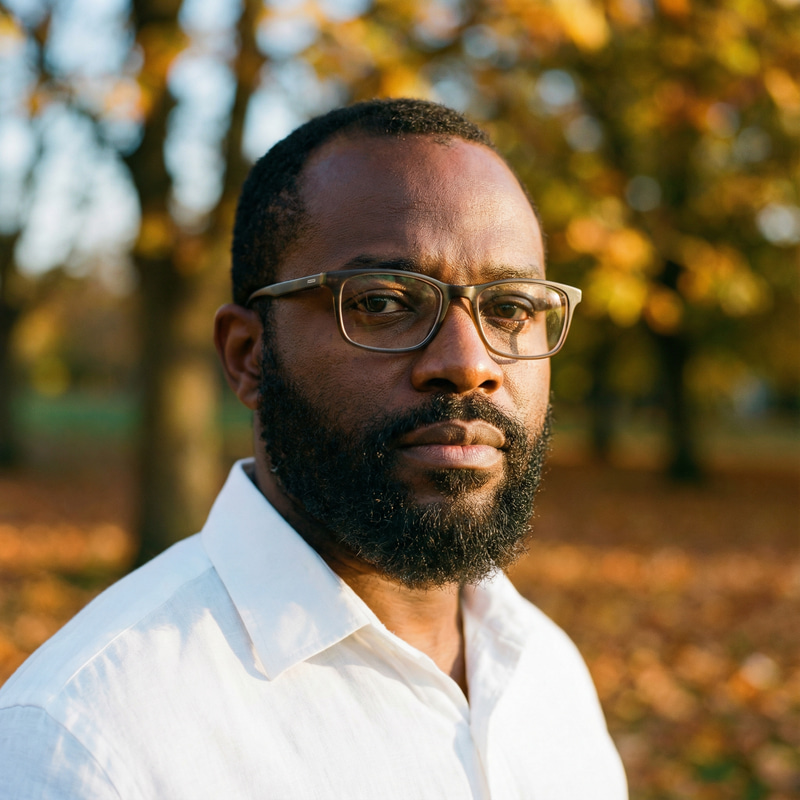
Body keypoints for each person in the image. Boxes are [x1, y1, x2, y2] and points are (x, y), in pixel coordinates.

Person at [0, 98, 627, 798]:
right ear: (248, 356)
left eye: (510, 308)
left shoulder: (544, 669)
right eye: (383, 302)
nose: (468, 362)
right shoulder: (83, 741)